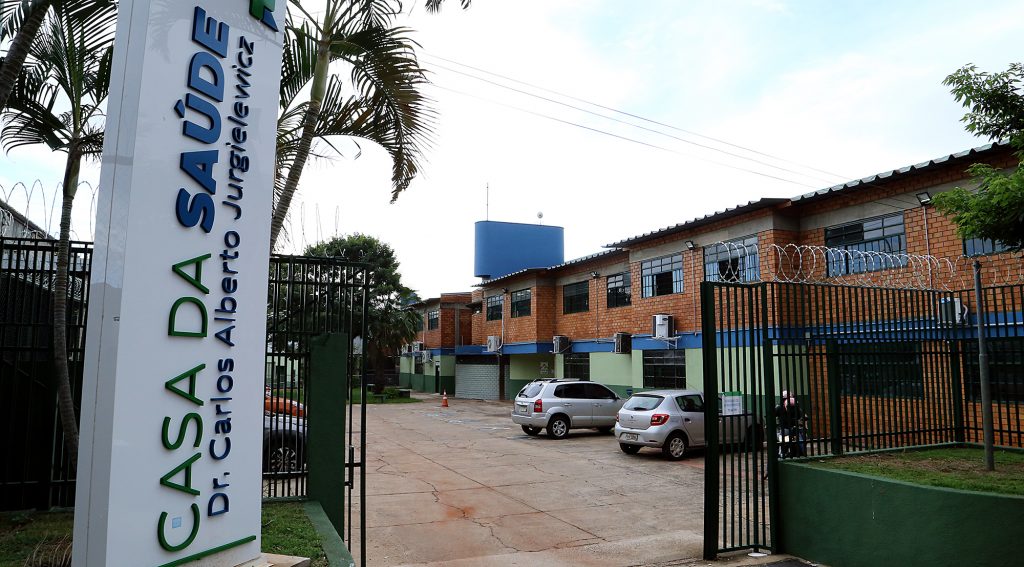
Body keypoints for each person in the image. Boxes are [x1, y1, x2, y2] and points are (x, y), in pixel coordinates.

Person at [774, 390, 807, 457]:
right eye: (785, 398)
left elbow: (802, 415)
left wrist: (803, 419)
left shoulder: (796, 406)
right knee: (783, 441)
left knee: (802, 441)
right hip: (784, 428)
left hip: (795, 428)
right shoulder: (779, 408)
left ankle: (803, 454)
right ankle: (781, 453)